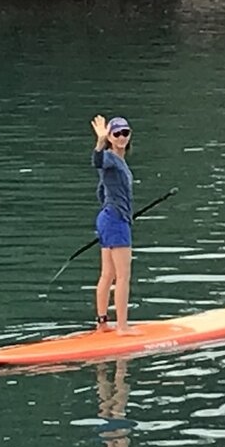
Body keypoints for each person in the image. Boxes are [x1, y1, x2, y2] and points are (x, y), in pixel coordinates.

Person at [90, 115, 135, 334]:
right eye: (116, 134)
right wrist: (99, 143)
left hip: (109, 218)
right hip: (115, 220)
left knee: (108, 274)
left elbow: (101, 191)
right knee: (123, 276)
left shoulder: (120, 161)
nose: (121, 137)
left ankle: (102, 324)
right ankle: (122, 327)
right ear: (110, 137)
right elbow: (97, 161)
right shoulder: (108, 157)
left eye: (125, 133)